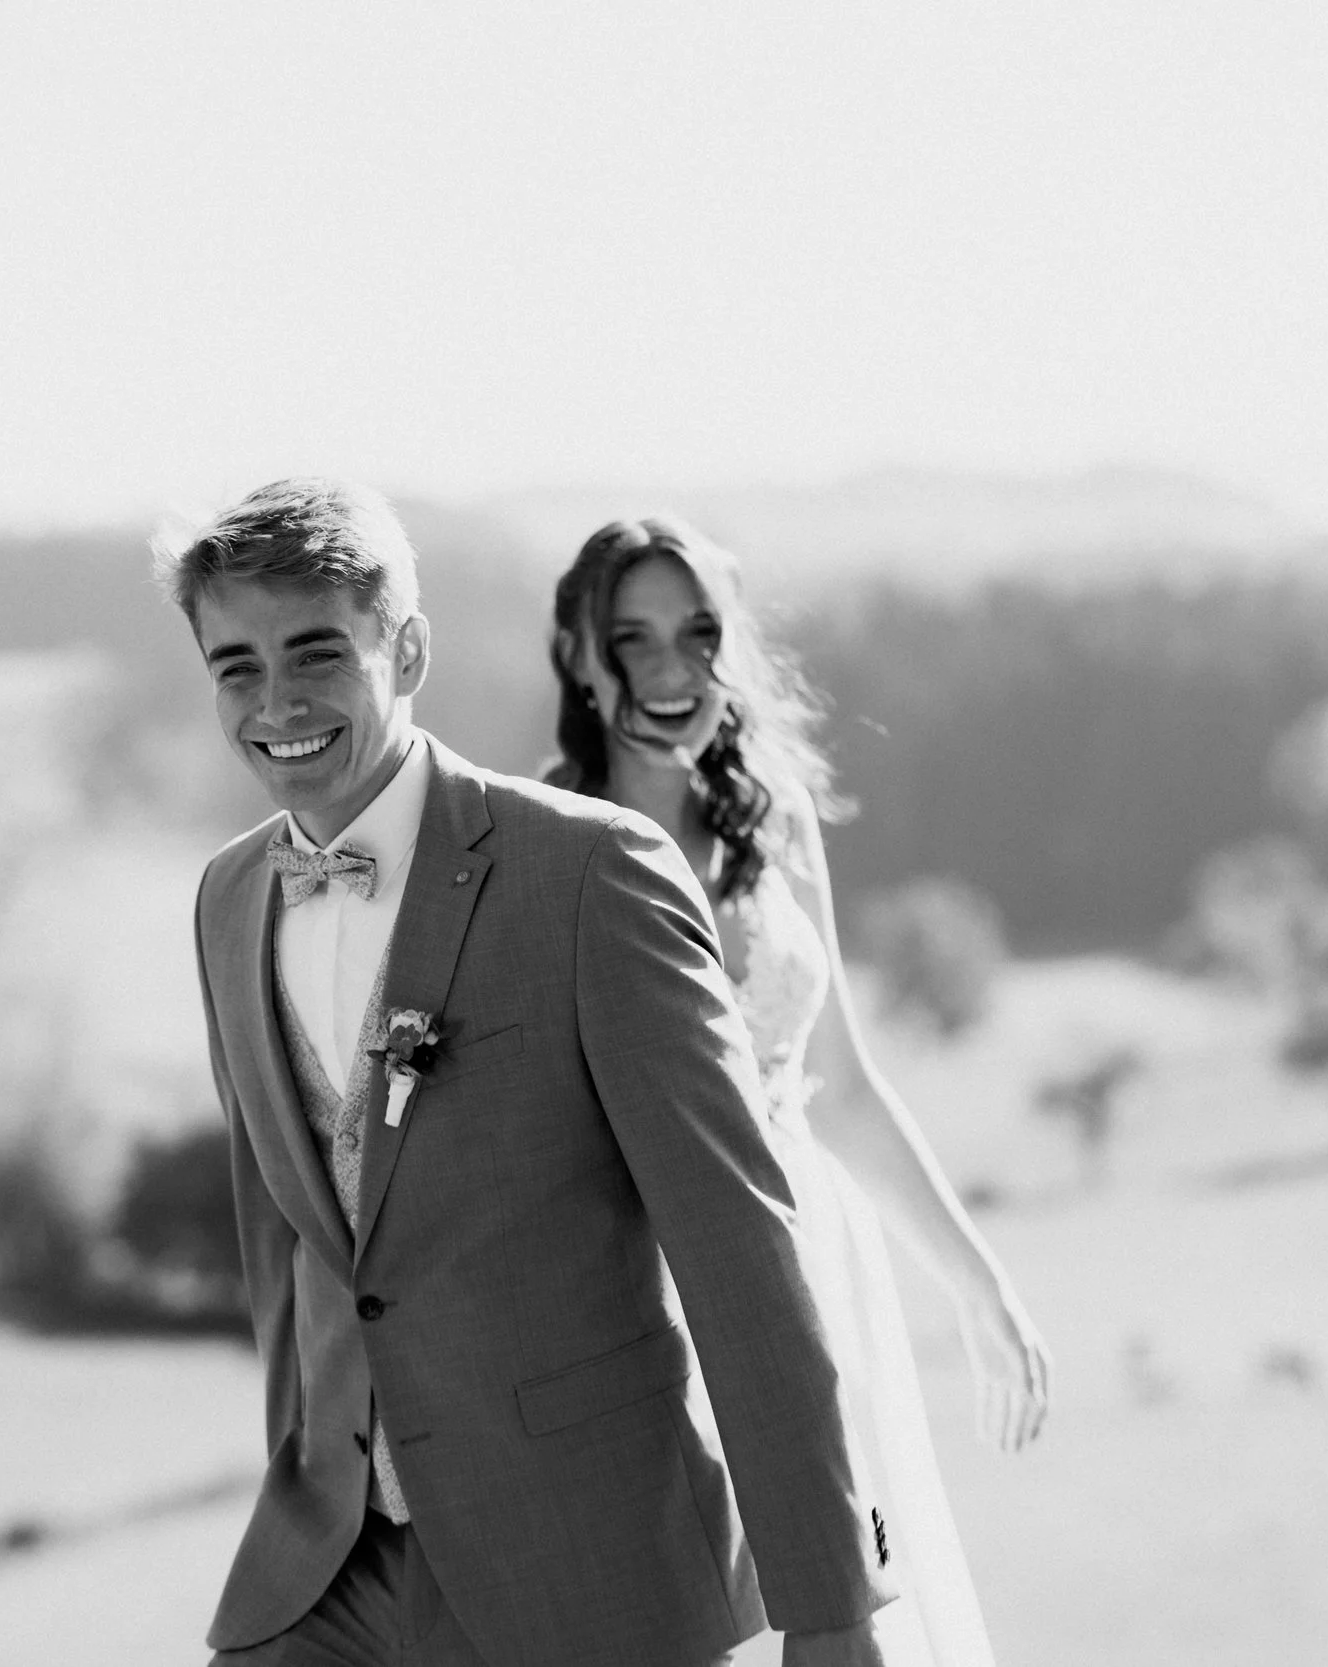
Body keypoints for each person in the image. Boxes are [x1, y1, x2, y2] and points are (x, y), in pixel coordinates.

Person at [160, 478, 895, 1667]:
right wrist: (309, 1473)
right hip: (328, 1573)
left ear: (406, 646)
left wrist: (831, 1608)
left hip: (579, 1561)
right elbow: (287, 1245)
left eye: (314, 652)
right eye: (235, 666)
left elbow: (737, 1247)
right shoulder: (227, 897)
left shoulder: (588, 875)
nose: (277, 701)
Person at [547, 516, 1053, 1667]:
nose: (669, 669)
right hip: (654, 1282)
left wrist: (979, 1287)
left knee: (854, 1607)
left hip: (820, 1260)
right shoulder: (545, 845)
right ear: (577, 655)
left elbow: (844, 1087)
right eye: (630, 639)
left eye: (697, 632)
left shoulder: (772, 820)